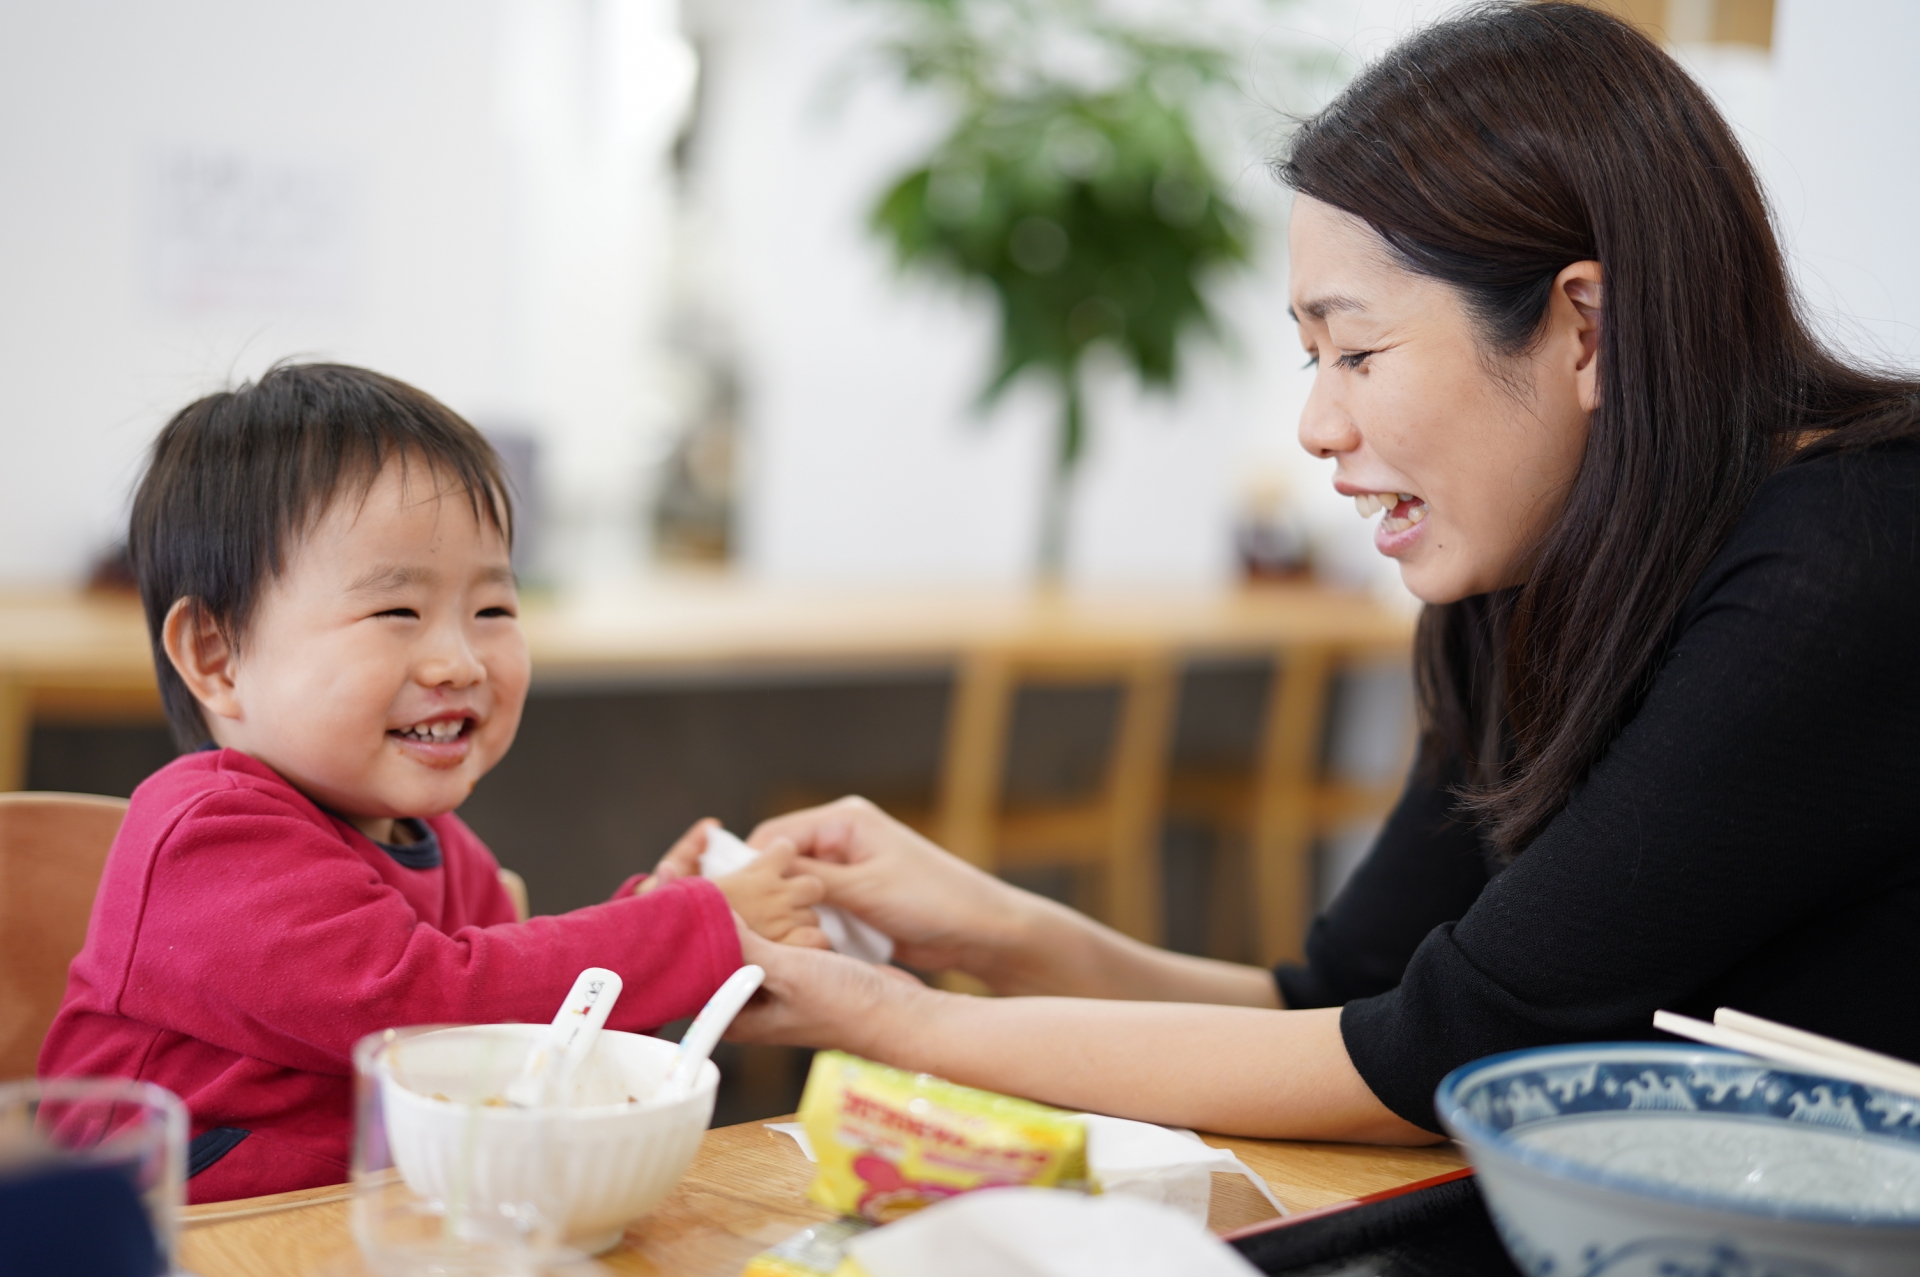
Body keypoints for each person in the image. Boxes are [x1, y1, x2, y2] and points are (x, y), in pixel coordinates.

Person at [710, 2, 1920, 1143]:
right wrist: (994, 927)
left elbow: (1453, 1055)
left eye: (1357, 349)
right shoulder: (1526, 574)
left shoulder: (1844, 560)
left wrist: (899, 1021)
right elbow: (1347, 1000)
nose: (1319, 427)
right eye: (1311, 359)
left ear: (1583, 328)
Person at [39, 364, 827, 1201]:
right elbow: (429, 1006)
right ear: (215, 654)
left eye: (493, 609)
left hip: (369, 1234)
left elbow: (522, 1040)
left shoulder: (444, 849)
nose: (458, 659)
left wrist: (655, 909)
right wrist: (688, 929)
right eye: (396, 613)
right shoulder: (204, 832)